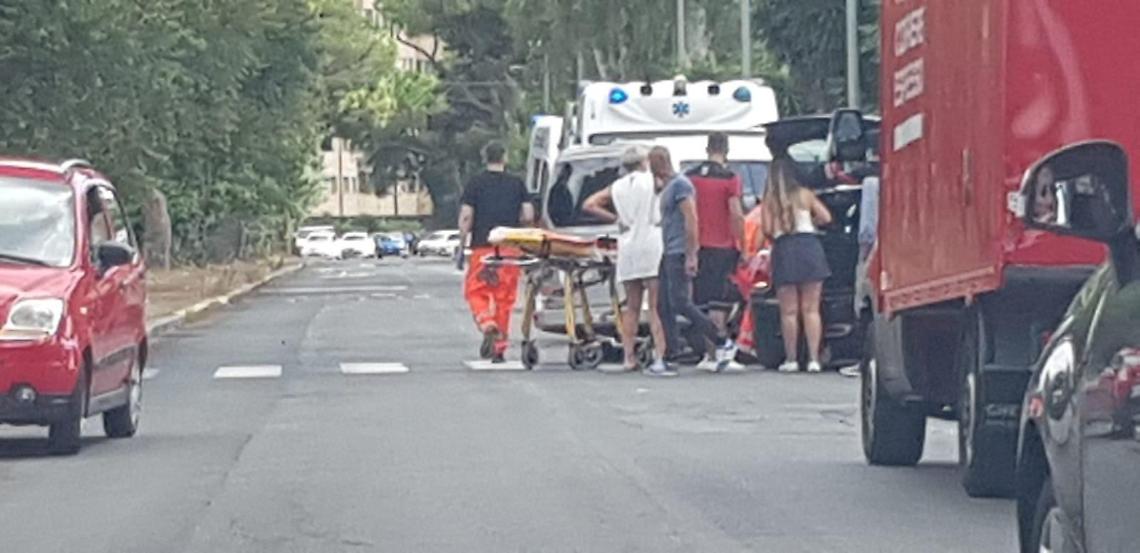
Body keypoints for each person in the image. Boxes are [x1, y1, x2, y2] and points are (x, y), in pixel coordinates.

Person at [583, 146, 670, 375]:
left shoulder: (618, 186)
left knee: (631, 307)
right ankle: (660, 355)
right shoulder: (653, 181)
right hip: (652, 243)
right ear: (644, 162)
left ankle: (628, 356)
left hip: (628, 245)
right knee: (655, 306)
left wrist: (615, 218)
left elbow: (589, 203)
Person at [651, 146, 727, 372]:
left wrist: (692, 253)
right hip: (668, 250)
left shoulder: (681, 185)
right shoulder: (667, 186)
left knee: (681, 302)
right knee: (663, 305)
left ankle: (720, 339)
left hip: (679, 250)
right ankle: (671, 353)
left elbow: (691, 218)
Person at [458, 141, 534, 363]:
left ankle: (486, 322)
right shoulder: (516, 184)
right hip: (509, 247)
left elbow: (466, 216)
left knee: (475, 291)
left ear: (485, 158)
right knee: (504, 299)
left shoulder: (475, 184)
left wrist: (462, 243)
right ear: (505, 158)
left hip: (483, 247)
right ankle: (500, 348)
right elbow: (528, 215)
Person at [760, 158, 833, 373]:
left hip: (785, 250)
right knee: (811, 309)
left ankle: (791, 359)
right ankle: (813, 360)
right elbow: (826, 217)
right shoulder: (805, 194)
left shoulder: (770, 200)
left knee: (789, 312)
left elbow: (767, 229)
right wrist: (811, 223)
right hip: (809, 248)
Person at [685, 132, 745, 366]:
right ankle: (720, 353)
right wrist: (742, 244)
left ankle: (708, 354)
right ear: (726, 150)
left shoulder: (691, 177)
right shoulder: (730, 178)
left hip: (698, 246)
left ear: (707, 149)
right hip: (723, 246)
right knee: (719, 303)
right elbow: (736, 214)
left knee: (702, 302)